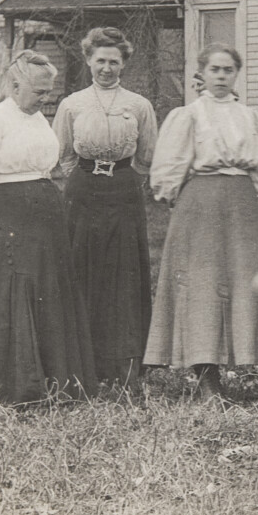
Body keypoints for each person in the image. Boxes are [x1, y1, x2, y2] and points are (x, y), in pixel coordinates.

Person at [0, 50, 96, 403]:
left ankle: (52, 379)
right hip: (6, 215)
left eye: (50, 92)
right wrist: (4, 187)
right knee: (12, 291)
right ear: (15, 85)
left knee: (46, 288)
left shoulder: (37, 119)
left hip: (45, 215)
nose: (46, 100)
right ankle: (12, 384)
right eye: (39, 92)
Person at [145, 45, 258, 397]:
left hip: (241, 203)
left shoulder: (250, 117)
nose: (221, 76)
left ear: (237, 74)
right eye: (215, 69)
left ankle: (239, 360)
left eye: (228, 70)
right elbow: (168, 169)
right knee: (202, 283)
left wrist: (253, 195)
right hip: (200, 202)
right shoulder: (188, 115)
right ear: (201, 73)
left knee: (239, 281)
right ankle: (206, 374)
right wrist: (180, 199)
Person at [51, 27, 159, 388]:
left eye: (114, 61)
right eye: (101, 61)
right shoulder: (72, 104)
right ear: (88, 60)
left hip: (124, 190)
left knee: (124, 272)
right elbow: (62, 155)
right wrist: (85, 179)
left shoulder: (139, 105)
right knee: (84, 269)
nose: (107, 69)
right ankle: (85, 361)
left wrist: (123, 179)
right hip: (83, 191)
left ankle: (125, 363)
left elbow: (146, 157)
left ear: (124, 63)